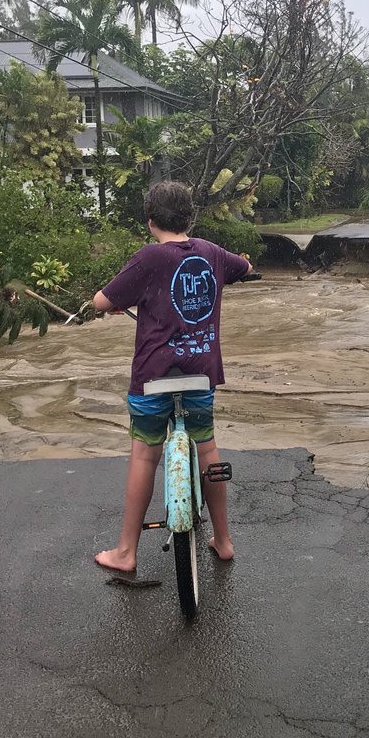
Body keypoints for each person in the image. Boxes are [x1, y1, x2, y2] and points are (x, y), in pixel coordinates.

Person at [92, 180, 252, 572]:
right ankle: (224, 541)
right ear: (190, 217)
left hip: (153, 379)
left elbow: (101, 301)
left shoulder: (148, 258)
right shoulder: (212, 253)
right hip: (200, 375)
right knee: (207, 449)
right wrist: (245, 270)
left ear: (150, 220)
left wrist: (116, 303)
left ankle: (126, 552)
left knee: (145, 455)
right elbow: (244, 267)